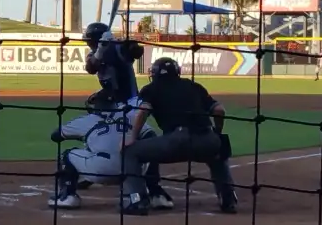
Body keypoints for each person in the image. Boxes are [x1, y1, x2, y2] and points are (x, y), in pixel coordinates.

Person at [47, 22, 176, 210]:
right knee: (100, 132)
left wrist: (120, 44)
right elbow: (91, 67)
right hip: (113, 104)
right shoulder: (96, 53)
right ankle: (93, 168)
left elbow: (135, 51)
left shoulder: (117, 49)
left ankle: (155, 190)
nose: (88, 45)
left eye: (90, 41)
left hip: (130, 104)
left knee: (144, 138)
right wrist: (100, 49)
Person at [117, 57, 238, 216]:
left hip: (176, 141)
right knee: (218, 150)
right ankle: (228, 199)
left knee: (130, 152)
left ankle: (137, 200)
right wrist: (217, 132)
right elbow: (219, 110)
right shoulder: (193, 86)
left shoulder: (151, 89)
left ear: (154, 74)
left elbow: (144, 111)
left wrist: (132, 137)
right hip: (206, 138)